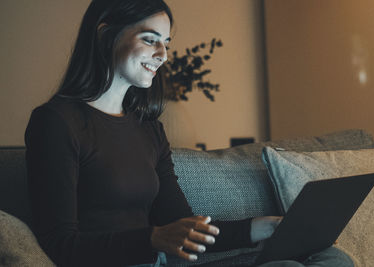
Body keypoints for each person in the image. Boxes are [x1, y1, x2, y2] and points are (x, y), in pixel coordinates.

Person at [24, 0, 354, 266]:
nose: (163, 55)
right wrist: (151, 238)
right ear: (105, 34)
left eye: (166, 43)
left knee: (328, 256)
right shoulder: (55, 122)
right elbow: (59, 244)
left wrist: (265, 227)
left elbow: (184, 226)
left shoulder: (149, 128)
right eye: (150, 40)